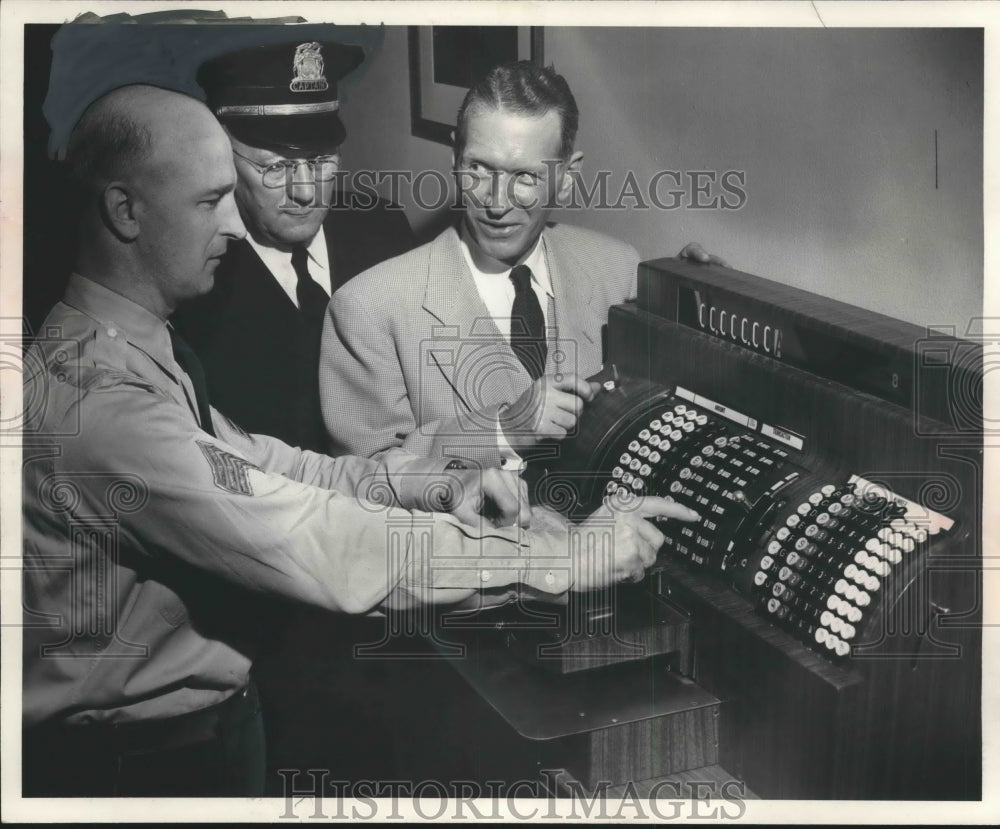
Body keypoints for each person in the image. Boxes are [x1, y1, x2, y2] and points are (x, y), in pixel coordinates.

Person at [20, 84, 696, 797]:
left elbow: (276, 469)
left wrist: (439, 482)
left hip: (194, 735)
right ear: (125, 210)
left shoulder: (130, 353)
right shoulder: (103, 404)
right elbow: (326, 544)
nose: (233, 222)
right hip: (142, 763)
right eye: (208, 200)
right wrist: (564, 554)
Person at [319, 60, 719, 469]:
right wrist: (502, 430)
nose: (496, 203)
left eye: (525, 176)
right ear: (455, 157)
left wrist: (706, 301)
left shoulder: (619, 269)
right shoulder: (367, 309)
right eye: (479, 168)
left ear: (567, 177)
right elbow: (366, 483)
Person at [171, 39, 416, 455]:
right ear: (223, 156)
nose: (305, 192)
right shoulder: (188, 281)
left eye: (321, 162)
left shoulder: (383, 228)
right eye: (276, 167)